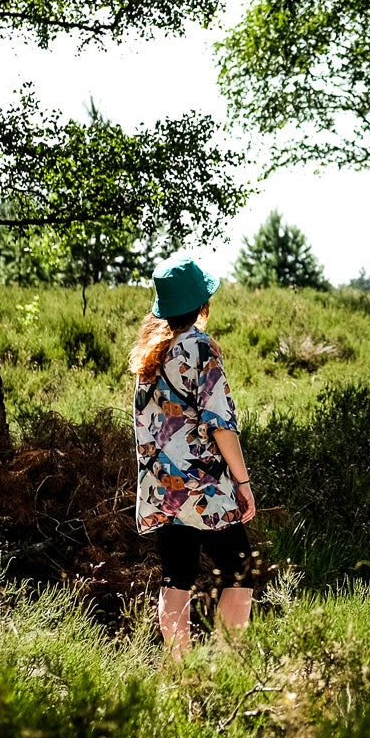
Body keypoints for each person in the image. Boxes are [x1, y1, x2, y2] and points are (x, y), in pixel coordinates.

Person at [130, 257, 257, 655]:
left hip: (162, 488)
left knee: (177, 577)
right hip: (204, 487)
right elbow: (220, 424)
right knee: (240, 574)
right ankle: (227, 667)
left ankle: (179, 671)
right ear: (201, 303)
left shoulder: (149, 355)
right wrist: (243, 483)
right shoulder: (201, 347)